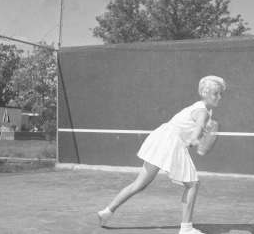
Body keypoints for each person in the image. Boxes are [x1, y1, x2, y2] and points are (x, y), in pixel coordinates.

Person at [97, 75, 226, 234]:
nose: (219, 97)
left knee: (140, 184)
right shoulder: (203, 112)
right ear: (205, 93)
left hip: (162, 138)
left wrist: (195, 137)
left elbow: (193, 131)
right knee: (193, 184)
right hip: (170, 141)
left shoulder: (201, 110)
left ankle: (107, 212)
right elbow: (196, 132)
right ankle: (186, 229)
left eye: (220, 94)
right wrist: (195, 139)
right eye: (216, 93)